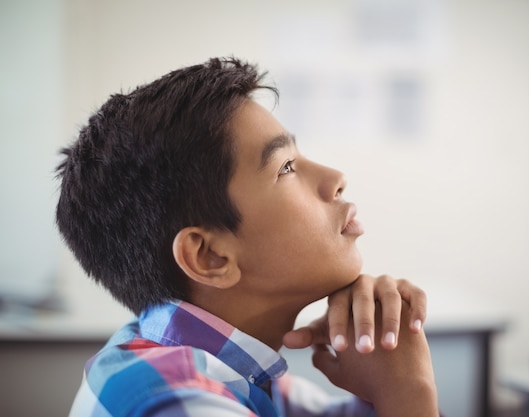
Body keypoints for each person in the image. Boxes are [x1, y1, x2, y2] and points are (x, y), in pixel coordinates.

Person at [56, 57, 439, 417]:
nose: (336, 178)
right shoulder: (173, 398)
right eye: (286, 167)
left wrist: (390, 361)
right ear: (210, 256)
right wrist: (409, 393)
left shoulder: (238, 370)